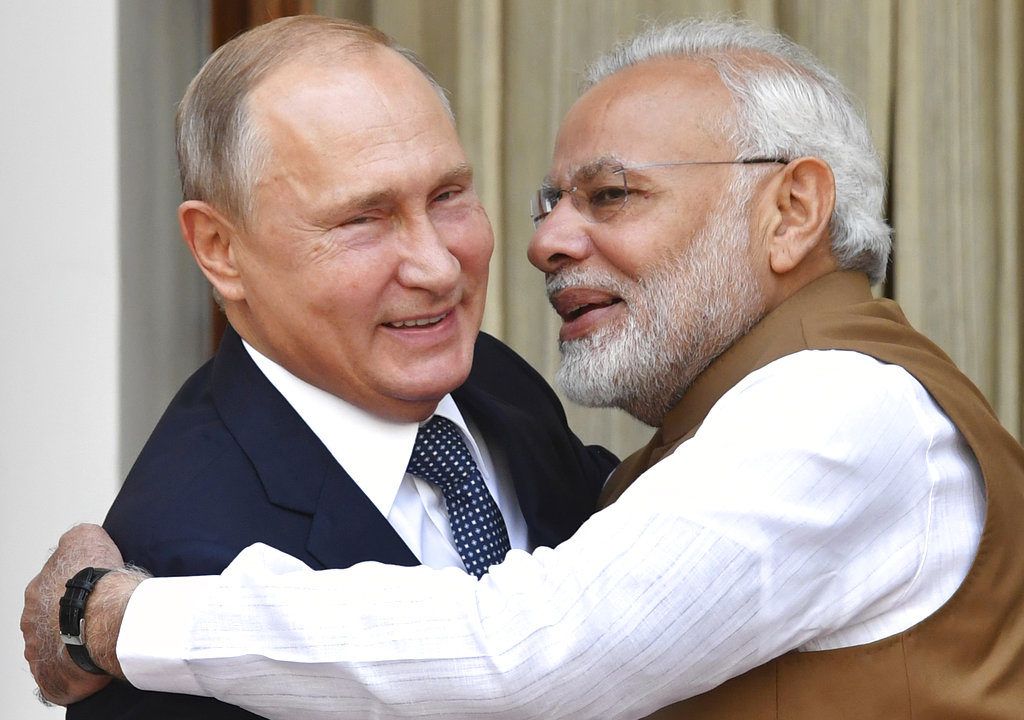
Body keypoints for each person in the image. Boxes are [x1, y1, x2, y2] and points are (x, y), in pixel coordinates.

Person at [25, 16, 1024, 720]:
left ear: (794, 210)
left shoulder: (832, 410)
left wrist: (113, 616)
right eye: (364, 216)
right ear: (220, 252)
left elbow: (539, 645)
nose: (545, 243)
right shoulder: (185, 527)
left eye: (613, 195)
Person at [24, 15, 616, 720]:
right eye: (362, 219)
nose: (437, 267)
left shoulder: (487, 378)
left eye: (448, 195)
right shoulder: (178, 572)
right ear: (218, 248)